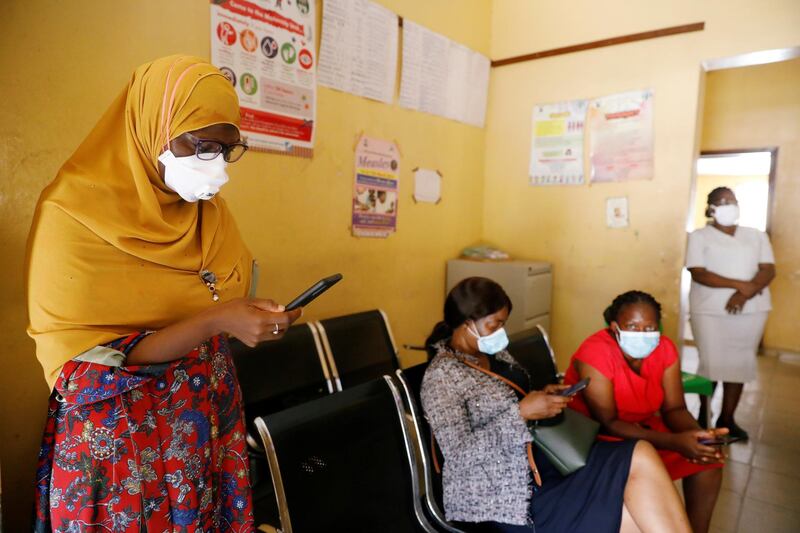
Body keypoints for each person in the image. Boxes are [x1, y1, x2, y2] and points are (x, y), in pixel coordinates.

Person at [26, 55, 302, 532]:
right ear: (152, 127)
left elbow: (219, 297)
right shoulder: (71, 217)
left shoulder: (208, 214)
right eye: (203, 146)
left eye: (228, 150)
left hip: (201, 429)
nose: (218, 168)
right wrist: (217, 322)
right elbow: (79, 368)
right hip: (121, 450)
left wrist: (247, 315)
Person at [421, 277, 691, 533]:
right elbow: (458, 456)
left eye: (503, 324)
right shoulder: (443, 376)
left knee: (640, 459)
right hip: (506, 496)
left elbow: (507, 400)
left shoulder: (491, 354)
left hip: (542, 463)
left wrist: (542, 396)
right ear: (466, 322)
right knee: (633, 514)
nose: (500, 333)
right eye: (494, 325)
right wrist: (521, 413)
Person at [564, 290, 726, 533]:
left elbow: (675, 408)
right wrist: (675, 442)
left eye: (650, 328)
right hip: (597, 437)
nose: (642, 334)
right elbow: (609, 423)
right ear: (615, 327)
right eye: (632, 326)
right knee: (646, 469)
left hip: (644, 428)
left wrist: (697, 437)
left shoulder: (664, 349)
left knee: (708, 460)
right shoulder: (595, 352)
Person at [686, 186, 775, 439]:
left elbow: (768, 269)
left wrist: (746, 293)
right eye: (721, 201)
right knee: (712, 364)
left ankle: (728, 420)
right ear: (710, 208)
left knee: (740, 363)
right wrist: (739, 285)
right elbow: (698, 271)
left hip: (752, 310)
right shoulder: (699, 236)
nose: (727, 205)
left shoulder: (756, 235)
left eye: (731, 200)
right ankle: (703, 419)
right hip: (710, 311)